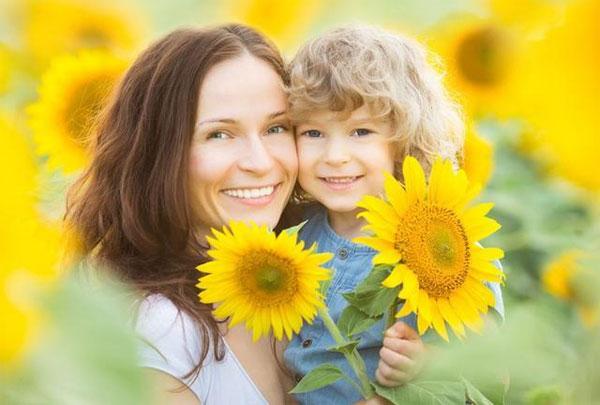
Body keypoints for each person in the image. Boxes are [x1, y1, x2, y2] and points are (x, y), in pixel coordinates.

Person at [66, 25, 299, 404]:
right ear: (159, 155)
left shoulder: (316, 281)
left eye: (276, 128)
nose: (260, 161)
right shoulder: (163, 334)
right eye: (220, 135)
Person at [283, 25, 505, 404]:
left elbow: (493, 374)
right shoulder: (292, 237)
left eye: (361, 132)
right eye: (313, 133)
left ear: (404, 141)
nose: (335, 156)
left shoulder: (443, 250)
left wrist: (425, 367)